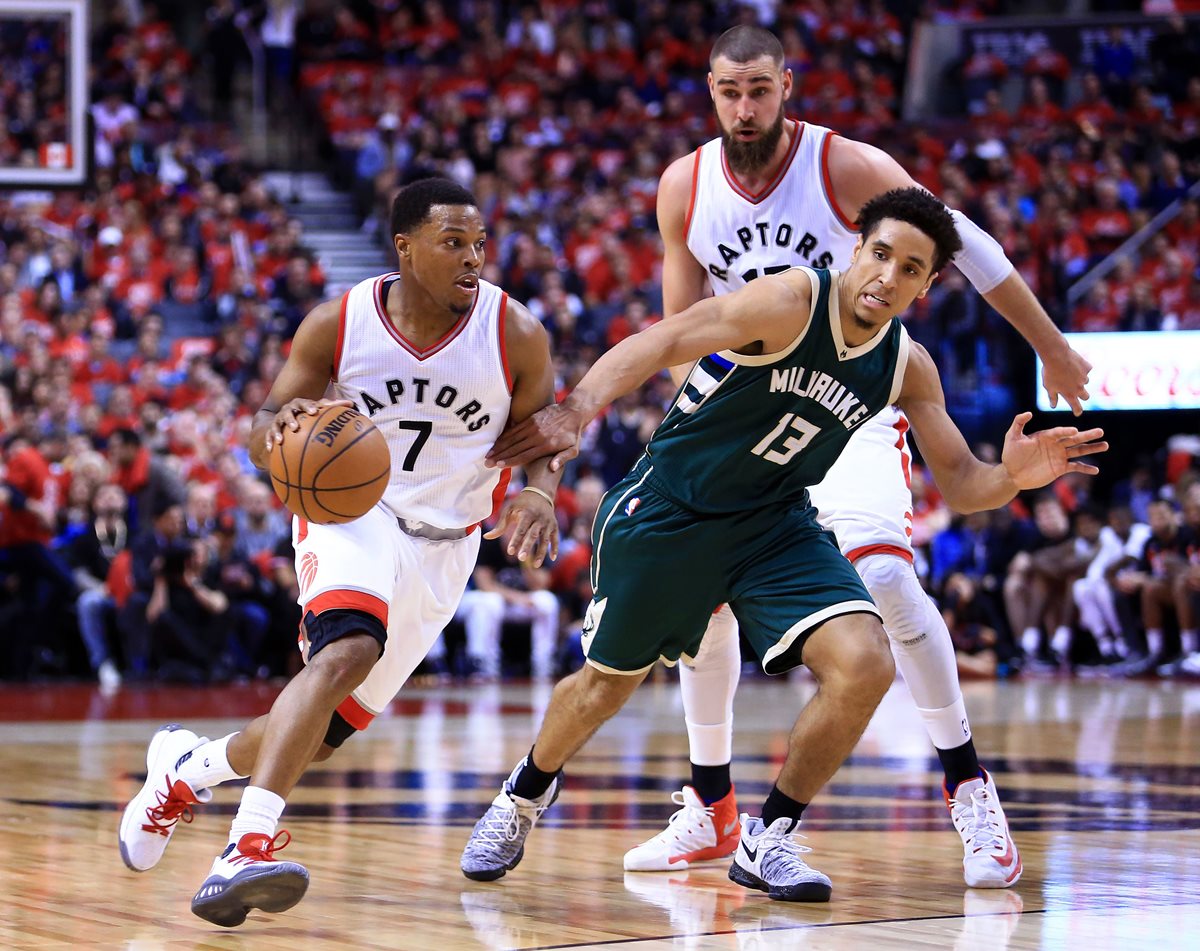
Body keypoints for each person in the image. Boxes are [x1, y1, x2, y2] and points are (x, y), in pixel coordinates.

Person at [459, 187, 1106, 901]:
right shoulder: (793, 300)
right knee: (604, 687)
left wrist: (1013, 477)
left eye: (911, 269)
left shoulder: (905, 364)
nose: (888, 276)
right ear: (856, 248)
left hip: (774, 523)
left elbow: (961, 480)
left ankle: (769, 839)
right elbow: (667, 337)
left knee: (864, 662)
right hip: (673, 510)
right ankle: (521, 796)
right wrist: (577, 409)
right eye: (882, 254)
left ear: (926, 286)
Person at [621, 25, 1093, 887]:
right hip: (746, 409)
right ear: (711, 89)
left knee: (881, 580)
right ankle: (710, 806)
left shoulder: (844, 167)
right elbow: (679, 324)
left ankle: (968, 785)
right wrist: (704, 425)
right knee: (704, 595)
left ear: (788, 85)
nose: (746, 106)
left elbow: (962, 241)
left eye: (760, 88)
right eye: (730, 91)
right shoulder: (683, 186)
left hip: (852, 394)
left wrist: (1051, 347)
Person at [116, 178, 562, 927]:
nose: (473, 258)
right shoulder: (340, 322)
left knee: (318, 738)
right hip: (353, 512)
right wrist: (278, 430)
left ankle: (186, 770)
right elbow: (263, 425)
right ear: (405, 247)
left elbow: (545, 432)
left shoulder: (515, 331)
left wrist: (541, 491)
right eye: (454, 242)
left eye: (480, 242)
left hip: (446, 545)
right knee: (347, 649)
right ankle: (246, 847)